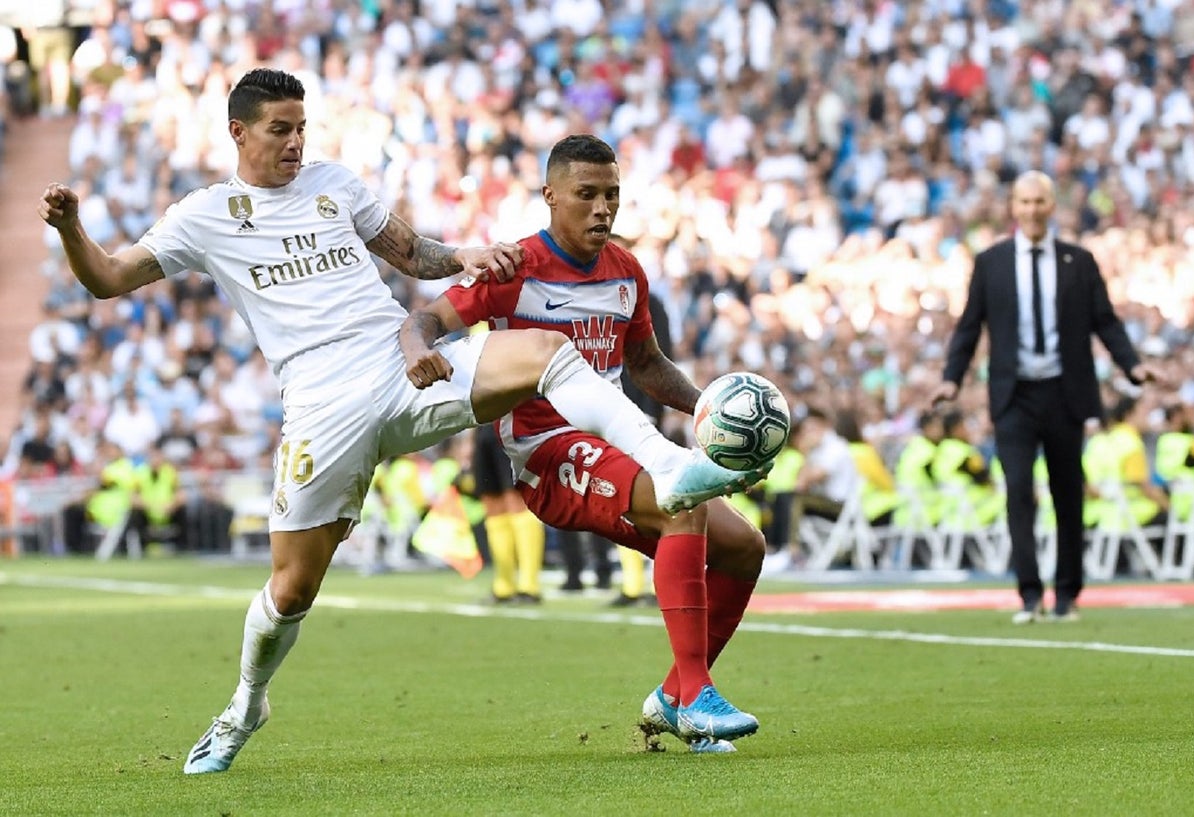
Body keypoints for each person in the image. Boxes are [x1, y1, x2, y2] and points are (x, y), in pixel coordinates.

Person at [38, 70, 764, 775]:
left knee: (548, 350)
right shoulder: (203, 216)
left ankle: (670, 465)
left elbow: (415, 254)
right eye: (279, 131)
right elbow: (106, 277)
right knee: (291, 590)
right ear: (239, 132)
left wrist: (470, 256)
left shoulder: (334, 185)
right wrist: (73, 229)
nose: (295, 143)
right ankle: (246, 704)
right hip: (322, 405)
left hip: (399, 364)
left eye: (302, 128)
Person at [399, 134, 769, 753]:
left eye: (612, 196)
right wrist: (419, 352)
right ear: (550, 197)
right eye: (587, 195)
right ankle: (699, 696)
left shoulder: (626, 273)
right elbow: (426, 319)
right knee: (684, 498)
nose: (603, 209)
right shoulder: (514, 267)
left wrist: (710, 413)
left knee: (745, 548)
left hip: (617, 450)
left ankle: (676, 694)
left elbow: (647, 364)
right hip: (546, 453)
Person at [931, 170, 1164, 624]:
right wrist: (951, 379)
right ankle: (1029, 594)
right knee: (1018, 489)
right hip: (1014, 395)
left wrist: (1132, 366)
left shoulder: (1079, 261)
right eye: (1024, 202)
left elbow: (1107, 321)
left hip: (1064, 393)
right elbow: (969, 326)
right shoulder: (991, 262)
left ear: (1051, 205)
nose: (1032, 210)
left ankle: (1067, 594)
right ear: (1012, 208)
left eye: (1040, 201)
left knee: (1068, 493)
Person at [470, 422, 545, 603]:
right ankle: (504, 586)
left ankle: (529, 587)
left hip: (513, 424)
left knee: (517, 500)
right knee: (493, 505)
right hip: (484, 426)